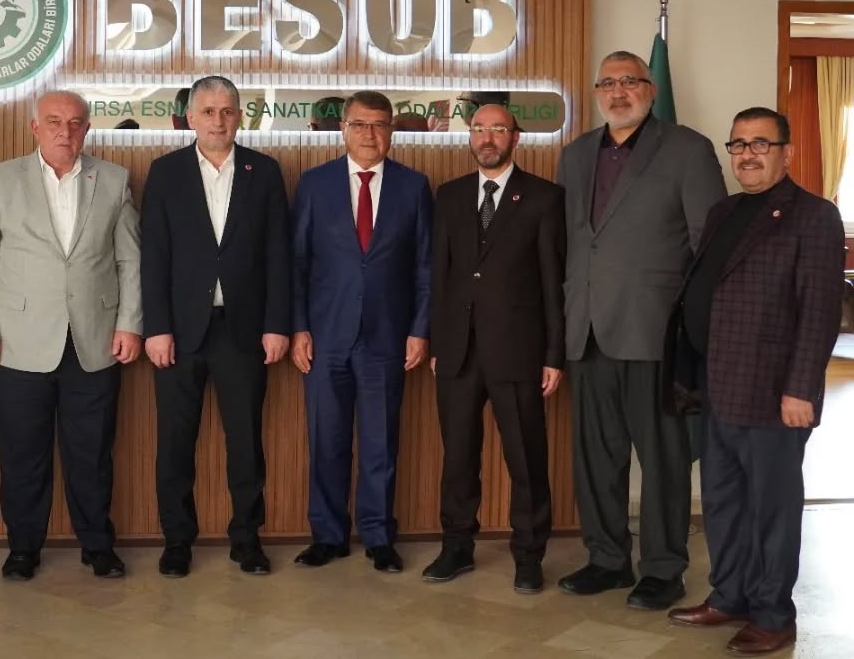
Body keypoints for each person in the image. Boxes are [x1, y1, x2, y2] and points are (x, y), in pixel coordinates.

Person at [666, 108, 843, 656]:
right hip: (717, 384)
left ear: (786, 152)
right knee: (723, 501)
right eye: (738, 144)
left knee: (771, 509)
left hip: (773, 394)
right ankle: (731, 595)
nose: (747, 154)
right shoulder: (724, 211)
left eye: (760, 143)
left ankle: (772, 614)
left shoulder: (814, 216)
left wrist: (801, 389)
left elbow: (819, 311)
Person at [556, 50, 725, 610]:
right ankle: (606, 559)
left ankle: (663, 568)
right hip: (586, 330)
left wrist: (693, 332)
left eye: (630, 81)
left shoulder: (687, 149)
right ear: (596, 92)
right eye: (608, 82)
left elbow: (709, 245)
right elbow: (575, 243)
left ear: (650, 90)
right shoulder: (575, 154)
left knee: (664, 460)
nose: (618, 91)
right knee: (596, 458)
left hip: (655, 333)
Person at [0, 90, 142, 581]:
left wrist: (129, 323)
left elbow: (130, 260)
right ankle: (23, 549)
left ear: (87, 129)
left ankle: (97, 546)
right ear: (34, 127)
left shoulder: (114, 180)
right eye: (55, 121)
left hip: (95, 341)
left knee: (93, 455)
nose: (66, 131)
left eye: (76, 123)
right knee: (22, 456)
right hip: (18, 343)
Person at [141, 76, 291, 578]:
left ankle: (246, 540)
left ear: (239, 116)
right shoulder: (165, 173)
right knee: (175, 443)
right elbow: (153, 256)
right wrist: (156, 327)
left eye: (227, 111)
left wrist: (277, 325)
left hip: (244, 330)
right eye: (207, 111)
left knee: (246, 442)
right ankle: (176, 541)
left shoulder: (263, 171)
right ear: (190, 117)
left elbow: (278, 253)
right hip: (180, 333)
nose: (218, 120)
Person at [425, 103, 565, 593]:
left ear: (515, 138)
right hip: (458, 351)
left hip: (519, 351)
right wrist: (438, 340)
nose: (487, 137)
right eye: (479, 129)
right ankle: (456, 547)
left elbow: (553, 282)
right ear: (470, 135)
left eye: (498, 129)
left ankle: (528, 555)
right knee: (458, 458)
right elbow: (440, 276)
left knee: (526, 459)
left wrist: (553, 354)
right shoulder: (449, 195)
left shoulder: (545, 197)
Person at [290, 90, 431, 573]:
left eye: (380, 125)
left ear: (391, 131)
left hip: (387, 337)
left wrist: (419, 329)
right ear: (343, 129)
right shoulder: (315, 184)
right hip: (325, 336)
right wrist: (298, 327)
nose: (370, 135)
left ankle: (378, 536)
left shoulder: (414, 186)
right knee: (326, 440)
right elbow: (297, 263)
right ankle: (328, 535)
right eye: (360, 125)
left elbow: (425, 267)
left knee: (380, 443)